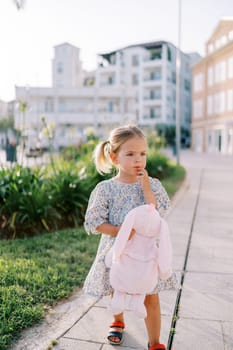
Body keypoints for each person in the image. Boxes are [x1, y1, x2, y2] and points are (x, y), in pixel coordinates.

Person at [83, 125, 176, 350]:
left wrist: (146, 188)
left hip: (145, 254)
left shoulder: (151, 185)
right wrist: (117, 230)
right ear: (114, 157)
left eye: (143, 153)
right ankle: (118, 320)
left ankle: (155, 343)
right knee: (118, 287)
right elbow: (93, 221)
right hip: (120, 251)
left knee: (150, 295)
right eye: (131, 154)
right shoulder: (106, 188)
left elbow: (159, 210)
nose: (138, 160)